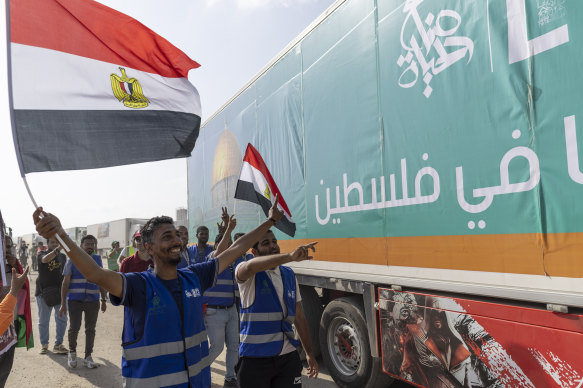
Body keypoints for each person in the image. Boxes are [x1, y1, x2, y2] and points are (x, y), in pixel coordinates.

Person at [32, 195, 311, 387]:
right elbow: (95, 273)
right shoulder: (139, 286)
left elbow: (237, 249)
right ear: (149, 249)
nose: (177, 241)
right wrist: (61, 236)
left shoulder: (195, 277)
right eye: (167, 237)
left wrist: (270, 221)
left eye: (177, 235)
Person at [235, 230, 319, 388]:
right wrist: (289, 257)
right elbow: (250, 267)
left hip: (287, 357)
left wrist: (309, 353)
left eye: (274, 241)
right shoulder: (247, 273)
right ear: (254, 252)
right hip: (255, 359)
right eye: (266, 243)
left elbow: (299, 317)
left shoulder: (288, 274)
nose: (273, 246)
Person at [202, 216, 243, 387]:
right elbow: (219, 252)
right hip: (214, 311)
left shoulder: (235, 263)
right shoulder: (212, 259)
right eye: (225, 246)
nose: (228, 249)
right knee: (217, 347)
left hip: (231, 309)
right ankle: (198, 371)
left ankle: (230, 377)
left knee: (234, 346)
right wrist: (228, 230)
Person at [59, 235, 107, 369]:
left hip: (93, 301)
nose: (90, 246)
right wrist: (63, 304)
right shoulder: (72, 260)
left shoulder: (98, 260)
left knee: (90, 329)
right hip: (75, 301)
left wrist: (103, 299)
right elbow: (65, 283)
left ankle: (88, 357)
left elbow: (101, 280)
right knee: (74, 327)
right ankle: (72, 353)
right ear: (81, 245)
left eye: (92, 244)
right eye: (87, 244)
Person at [0, 236, 32, 387]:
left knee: (4, 371)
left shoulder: (12, 268)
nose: (6, 250)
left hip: (10, 328)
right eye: (2, 246)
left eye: (8, 246)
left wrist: (17, 268)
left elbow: (24, 288)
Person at [36, 238, 68, 355]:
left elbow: (65, 273)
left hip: (60, 293)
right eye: (52, 242)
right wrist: (59, 248)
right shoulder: (41, 254)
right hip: (43, 293)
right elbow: (45, 260)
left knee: (62, 320)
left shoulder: (63, 257)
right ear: (47, 244)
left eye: (56, 242)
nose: (54, 244)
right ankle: (44, 345)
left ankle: (58, 344)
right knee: (43, 321)